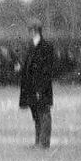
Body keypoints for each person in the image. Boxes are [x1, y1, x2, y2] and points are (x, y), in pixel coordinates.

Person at [18, 21, 57, 149]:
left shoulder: (46, 47)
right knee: (36, 115)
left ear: (35, 30)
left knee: (44, 114)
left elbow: (47, 69)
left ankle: (44, 143)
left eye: (31, 30)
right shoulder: (30, 46)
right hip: (31, 86)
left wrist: (41, 88)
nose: (30, 32)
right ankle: (38, 141)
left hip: (42, 87)